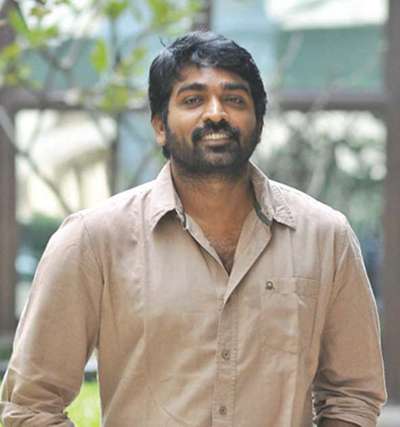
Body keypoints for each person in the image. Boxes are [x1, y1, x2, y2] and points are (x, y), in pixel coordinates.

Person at [0, 31, 386, 427]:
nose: (216, 114)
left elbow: (353, 396)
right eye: (193, 100)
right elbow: (31, 406)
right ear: (160, 126)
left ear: (258, 123)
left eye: (235, 99)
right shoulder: (93, 240)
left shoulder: (325, 237)